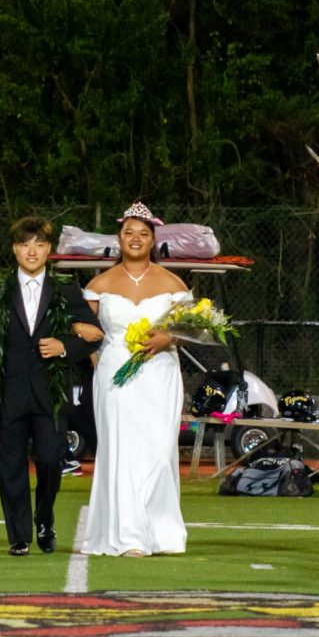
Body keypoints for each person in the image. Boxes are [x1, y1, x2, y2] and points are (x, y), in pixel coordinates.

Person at [0, 216, 102, 556]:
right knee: (10, 466)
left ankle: (45, 518)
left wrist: (65, 348)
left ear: (49, 250)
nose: (32, 251)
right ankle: (19, 535)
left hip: (49, 393)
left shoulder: (66, 288)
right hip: (8, 392)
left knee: (48, 458)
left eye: (39, 244)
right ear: (14, 249)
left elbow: (94, 334)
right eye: (25, 244)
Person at [80, 202, 191, 558]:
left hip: (160, 375)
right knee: (123, 453)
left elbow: (190, 329)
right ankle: (128, 536)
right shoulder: (99, 283)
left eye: (143, 233)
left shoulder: (173, 282)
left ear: (153, 239)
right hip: (116, 378)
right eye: (129, 232)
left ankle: (160, 531)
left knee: (159, 453)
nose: (135, 239)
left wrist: (168, 338)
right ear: (119, 238)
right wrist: (99, 361)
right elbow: (82, 331)